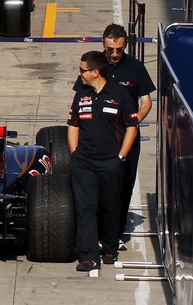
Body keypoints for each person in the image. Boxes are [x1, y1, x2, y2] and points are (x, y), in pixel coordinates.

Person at [69, 50, 139, 272]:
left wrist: (121, 156)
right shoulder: (81, 94)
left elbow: (132, 127)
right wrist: (74, 153)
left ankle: (109, 247)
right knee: (86, 208)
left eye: (82, 70)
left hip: (111, 162)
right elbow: (73, 125)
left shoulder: (120, 94)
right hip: (84, 162)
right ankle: (88, 256)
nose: (79, 74)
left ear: (95, 72)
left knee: (111, 207)